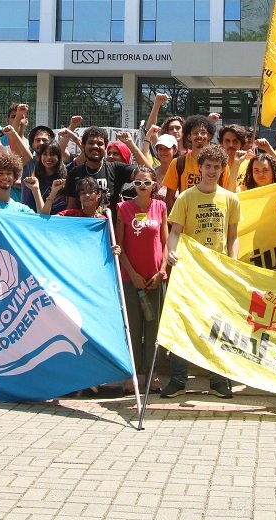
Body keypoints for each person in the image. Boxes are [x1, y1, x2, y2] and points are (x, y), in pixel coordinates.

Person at [162, 144, 241, 399]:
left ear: (223, 169)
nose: (212, 171)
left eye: (217, 167)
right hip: (189, 271)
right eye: (208, 166)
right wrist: (171, 253)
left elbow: (233, 237)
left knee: (218, 326)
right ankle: (177, 380)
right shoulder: (186, 197)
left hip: (217, 272)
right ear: (200, 167)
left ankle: (217, 380)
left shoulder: (231, 199)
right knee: (183, 323)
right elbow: (174, 232)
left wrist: (233, 262)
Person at [116, 164, 167, 387]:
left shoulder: (161, 207)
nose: (142, 187)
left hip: (156, 277)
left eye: (147, 183)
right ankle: (133, 375)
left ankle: (152, 373)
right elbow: (120, 246)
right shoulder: (123, 208)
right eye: (138, 183)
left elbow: (166, 243)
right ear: (133, 184)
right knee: (134, 329)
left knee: (154, 328)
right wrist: (133, 274)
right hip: (132, 279)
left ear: (154, 185)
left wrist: (162, 270)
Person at [65, 127, 137, 212]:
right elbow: (71, 207)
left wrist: (131, 145)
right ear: (83, 146)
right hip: (82, 224)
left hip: (110, 224)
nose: (95, 146)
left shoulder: (116, 169)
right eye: (91, 143)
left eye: (100, 143)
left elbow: (148, 173)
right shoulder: (74, 173)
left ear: (105, 147)